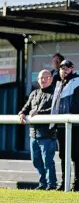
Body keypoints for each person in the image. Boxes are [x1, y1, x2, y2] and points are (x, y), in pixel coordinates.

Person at [18, 70, 57, 190]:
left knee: (48, 161)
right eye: (40, 78)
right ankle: (42, 183)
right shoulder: (34, 93)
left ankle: (51, 185)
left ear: (50, 79)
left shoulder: (55, 93)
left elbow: (54, 110)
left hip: (47, 134)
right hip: (33, 134)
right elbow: (25, 108)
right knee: (36, 161)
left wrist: (38, 113)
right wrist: (21, 114)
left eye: (45, 78)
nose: (43, 80)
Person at [50, 60, 79, 191]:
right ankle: (64, 183)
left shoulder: (77, 81)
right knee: (63, 156)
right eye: (62, 68)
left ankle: (77, 183)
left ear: (72, 69)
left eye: (67, 67)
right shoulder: (58, 84)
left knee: (76, 156)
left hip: (75, 125)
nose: (64, 70)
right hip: (61, 126)